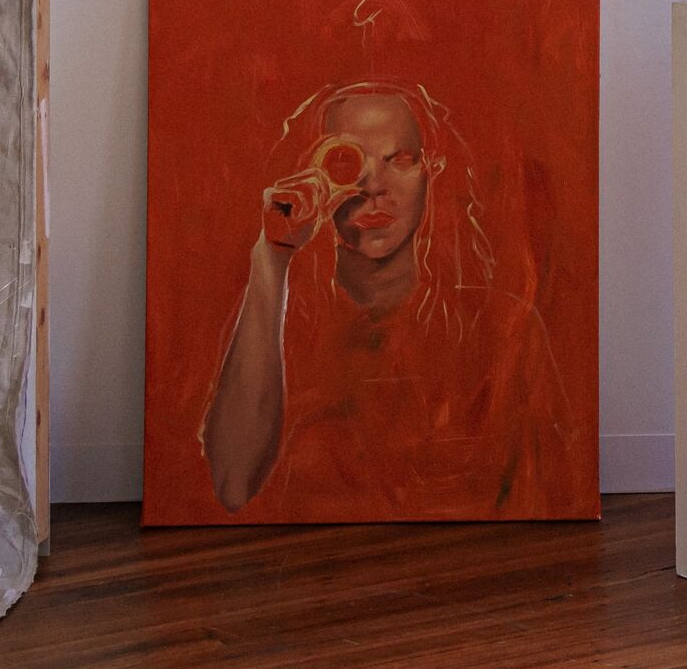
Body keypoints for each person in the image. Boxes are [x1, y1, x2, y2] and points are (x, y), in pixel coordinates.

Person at [200, 78, 587, 518]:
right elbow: (232, 484)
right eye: (346, 162)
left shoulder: (504, 329)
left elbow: (553, 495)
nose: (373, 185)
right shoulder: (278, 329)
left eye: (400, 160)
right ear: (312, 177)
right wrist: (271, 257)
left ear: (431, 171)